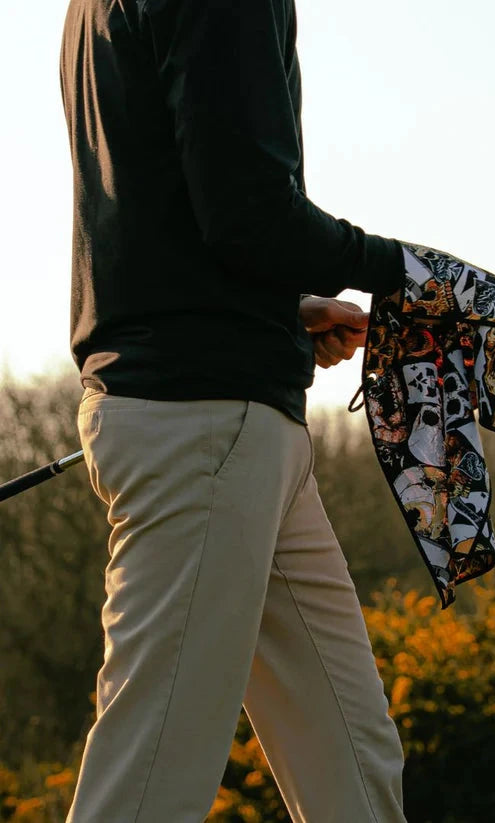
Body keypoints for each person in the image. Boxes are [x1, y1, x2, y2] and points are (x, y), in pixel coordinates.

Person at [59, 0, 408, 820]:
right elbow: (249, 209)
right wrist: (406, 272)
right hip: (205, 427)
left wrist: (280, 312)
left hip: (230, 423)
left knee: (352, 761)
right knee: (148, 785)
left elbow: (171, 209)